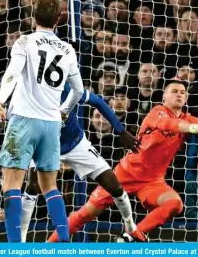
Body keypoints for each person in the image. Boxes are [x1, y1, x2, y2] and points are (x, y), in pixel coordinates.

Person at [47, 79, 198, 242]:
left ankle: (130, 236)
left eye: (183, 92)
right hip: (125, 174)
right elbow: (173, 124)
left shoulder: (188, 118)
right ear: (164, 96)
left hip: (152, 182)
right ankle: (47, 246)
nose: (179, 94)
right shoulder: (157, 113)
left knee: (175, 204)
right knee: (85, 214)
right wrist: (197, 128)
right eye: (175, 91)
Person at [0, 0, 85, 243]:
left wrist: (0, 102)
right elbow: (78, 90)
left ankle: (15, 246)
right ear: (58, 20)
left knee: (11, 184)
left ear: (33, 17)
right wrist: (63, 110)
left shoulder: (24, 41)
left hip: (23, 120)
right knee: (49, 186)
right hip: (52, 124)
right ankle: (64, 239)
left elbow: (12, 73)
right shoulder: (67, 49)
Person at [21, 84, 140, 242]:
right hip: (44, 146)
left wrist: (121, 131)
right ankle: (19, 242)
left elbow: (98, 101)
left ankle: (131, 228)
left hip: (76, 144)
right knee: (32, 185)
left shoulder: (67, 89)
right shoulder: (29, 95)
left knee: (114, 185)